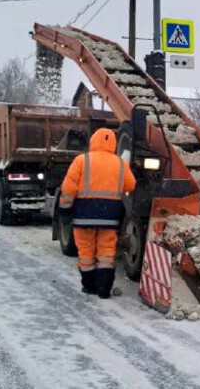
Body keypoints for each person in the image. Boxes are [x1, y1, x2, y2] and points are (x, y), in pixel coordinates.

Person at [59, 128, 136, 299]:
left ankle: (89, 286)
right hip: (109, 216)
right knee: (106, 254)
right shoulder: (120, 163)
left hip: (83, 215)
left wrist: (64, 210)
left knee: (86, 253)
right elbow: (131, 185)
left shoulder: (82, 160)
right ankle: (104, 289)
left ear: (93, 141)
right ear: (113, 143)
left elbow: (68, 188)